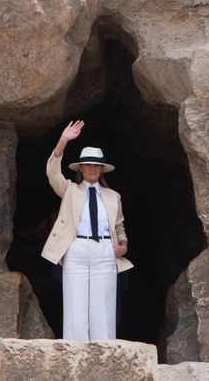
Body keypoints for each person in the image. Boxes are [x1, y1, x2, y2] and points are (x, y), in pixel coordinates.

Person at [41, 120, 133, 340]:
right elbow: (52, 173)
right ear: (81, 168)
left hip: (104, 250)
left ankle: (104, 355)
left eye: (96, 165)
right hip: (77, 249)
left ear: (102, 169)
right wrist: (63, 140)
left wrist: (123, 245)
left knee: (104, 309)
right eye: (88, 164)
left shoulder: (113, 196)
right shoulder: (71, 190)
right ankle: (75, 357)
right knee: (75, 307)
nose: (92, 168)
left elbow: (119, 226)